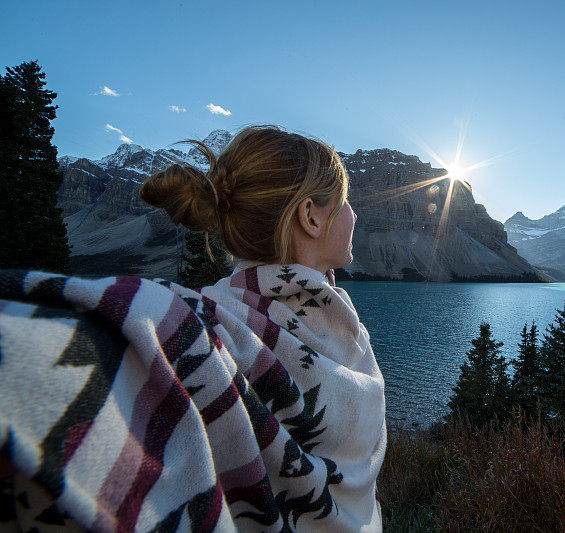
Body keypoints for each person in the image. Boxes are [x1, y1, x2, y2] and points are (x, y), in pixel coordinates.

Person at [0, 125, 386, 532]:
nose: (354, 213)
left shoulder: (233, 319)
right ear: (310, 216)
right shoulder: (200, 325)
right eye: (344, 202)